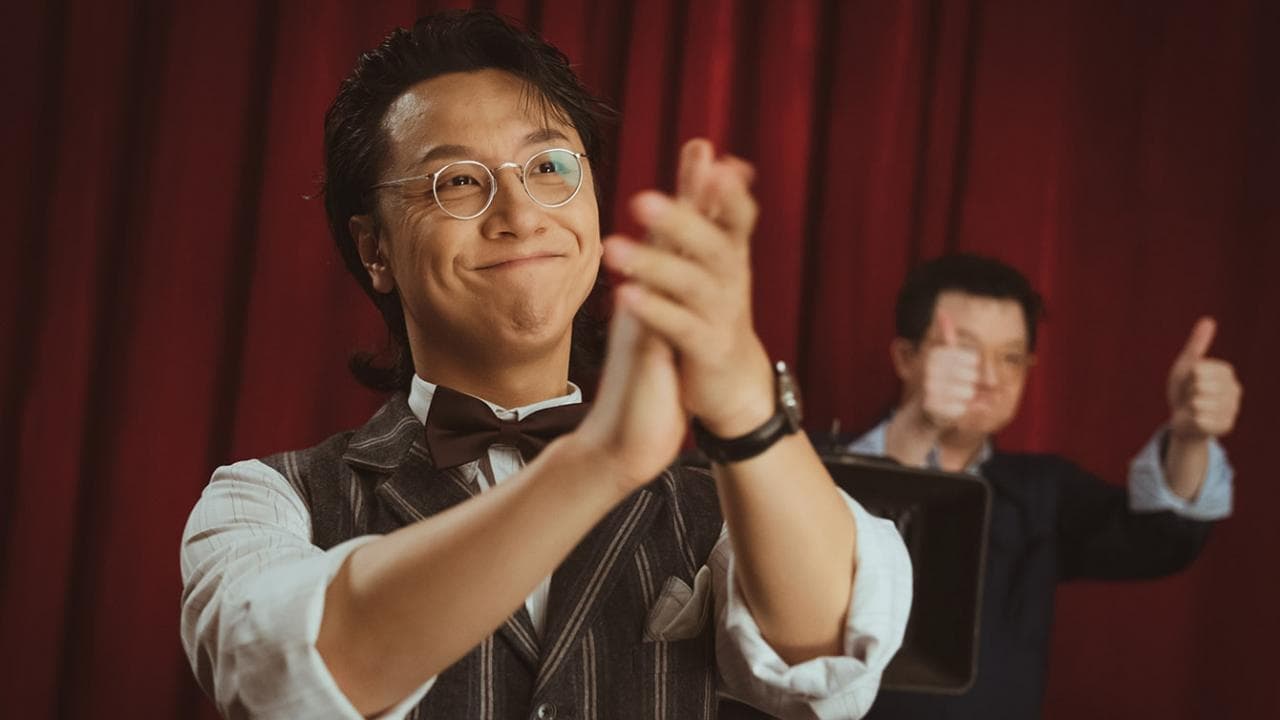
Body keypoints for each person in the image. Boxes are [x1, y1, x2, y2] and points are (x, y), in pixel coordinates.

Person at [180, 11, 912, 720]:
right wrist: (599, 461)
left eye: (549, 166)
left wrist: (747, 409)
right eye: (457, 181)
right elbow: (284, 678)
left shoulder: (729, 503)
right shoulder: (268, 500)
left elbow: (831, 666)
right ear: (375, 249)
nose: (521, 214)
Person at [849, 254, 1239, 718]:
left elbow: (1158, 541)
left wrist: (1190, 438)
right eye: (965, 352)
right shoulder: (807, 462)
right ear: (906, 357)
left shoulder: (1042, 491)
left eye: (1011, 358)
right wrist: (918, 427)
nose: (990, 378)